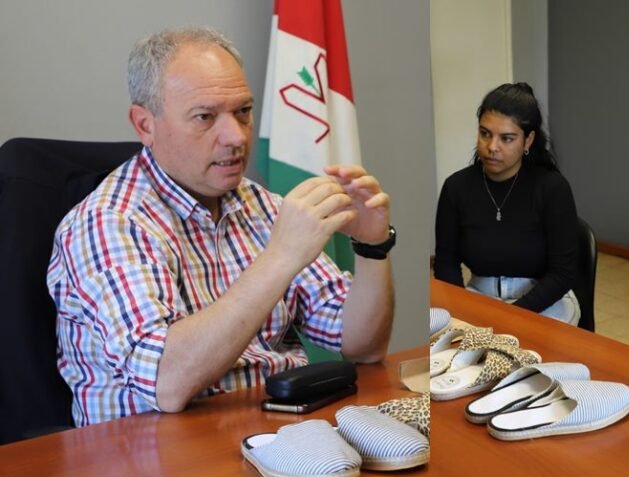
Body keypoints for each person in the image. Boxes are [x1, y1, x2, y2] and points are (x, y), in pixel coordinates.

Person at [46, 27, 395, 426]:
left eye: (243, 112)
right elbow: (167, 382)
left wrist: (372, 248)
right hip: (153, 458)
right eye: (205, 117)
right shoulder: (108, 223)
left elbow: (362, 345)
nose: (234, 137)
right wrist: (280, 257)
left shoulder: (262, 206)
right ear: (144, 125)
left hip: (273, 432)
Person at [434, 83, 581, 325]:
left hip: (544, 303)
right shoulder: (456, 187)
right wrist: (460, 309)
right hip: (478, 298)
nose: (492, 147)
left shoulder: (553, 188)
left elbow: (563, 274)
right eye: (485, 134)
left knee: (527, 361)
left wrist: (511, 315)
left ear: (528, 140)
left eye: (507, 138)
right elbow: (446, 264)